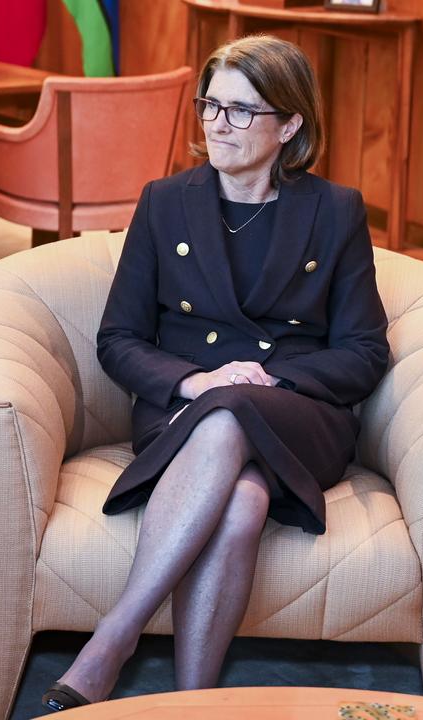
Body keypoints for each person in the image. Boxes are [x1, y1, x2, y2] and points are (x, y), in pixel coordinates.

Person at [41, 35, 389, 712]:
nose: (216, 124)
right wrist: (195, 383)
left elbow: (364, 350)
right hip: (183, 411)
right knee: (243, 505)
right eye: (210, 105)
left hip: (297, 414)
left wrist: (269, 384)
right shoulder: (165, 201)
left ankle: (112, 639)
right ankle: (192, 703)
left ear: (290, 125)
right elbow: (118, 338)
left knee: (235, 410)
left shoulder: (336, 211)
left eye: (240, 111)